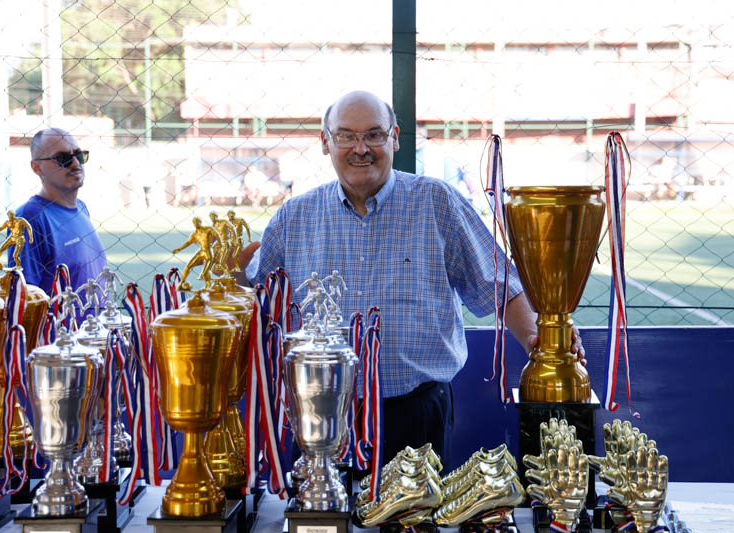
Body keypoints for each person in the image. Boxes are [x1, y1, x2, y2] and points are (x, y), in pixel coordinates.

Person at [236, 91, 583, 469]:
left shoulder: (437, 202)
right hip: (322, 414)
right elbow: (254, 300)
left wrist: (545, 341)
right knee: (326, 520)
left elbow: (499, 285)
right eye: (346, 136)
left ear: (395, 138)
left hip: (415, 413)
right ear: (325, 142)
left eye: (374, 135)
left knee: (413, 527)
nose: (360, 148)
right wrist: (232, 276)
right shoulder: (294, 217)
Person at [11, 128, 107, 297]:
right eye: (63, 158)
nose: (76, 164)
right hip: (60, 324)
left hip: (95, 323)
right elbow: (24, 297)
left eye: (78, 155)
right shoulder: (30, 218)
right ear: (37, 168)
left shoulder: (81, 208)